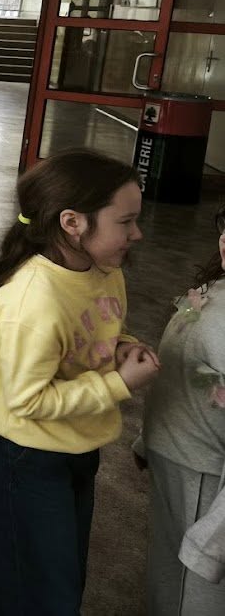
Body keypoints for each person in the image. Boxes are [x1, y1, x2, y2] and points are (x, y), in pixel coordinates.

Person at [0, 148, 160, 615]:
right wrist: (119, 383)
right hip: (26, 453)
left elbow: (98, 327)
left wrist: (119, 346)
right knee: (36, 588)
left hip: (75, 443)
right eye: (126, 221)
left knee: (62, 577)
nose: (137, 233)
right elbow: (27, 401)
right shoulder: (33, 302)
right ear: (72, 223)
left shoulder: (104, 271)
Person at [139, 204, 225, 615]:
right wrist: (149, 437)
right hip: (175, 463)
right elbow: (189, 374)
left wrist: (212, 544)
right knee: (166, 588)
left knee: (193, 600)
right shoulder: (216, 289)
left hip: (207, 487)